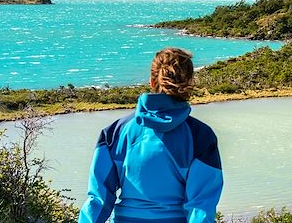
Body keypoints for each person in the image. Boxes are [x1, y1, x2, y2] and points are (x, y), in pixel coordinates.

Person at [80, 47, 223, 223]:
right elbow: (200, 208)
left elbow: (98, 201)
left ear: (151, 82)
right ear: (189, 83)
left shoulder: (114, 132)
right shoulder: (201, 136)